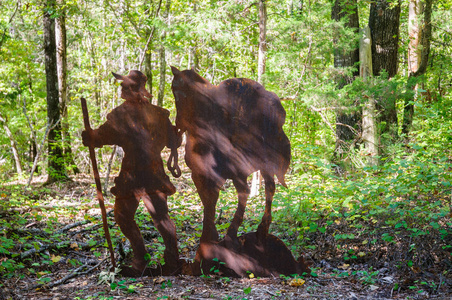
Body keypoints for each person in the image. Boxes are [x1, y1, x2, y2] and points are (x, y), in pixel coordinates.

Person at [82, 70, 182, 276]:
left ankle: (169, 261)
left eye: (125, 86)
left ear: (134, 89)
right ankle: (143, 258)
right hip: (136, 174)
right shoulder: (132, 114)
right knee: (125, 215)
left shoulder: (139, 114)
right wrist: (92, 136)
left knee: (158, 218)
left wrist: (93, 137)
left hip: (145, 173)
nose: (122, 90)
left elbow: (173, 141)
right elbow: (102, 136)